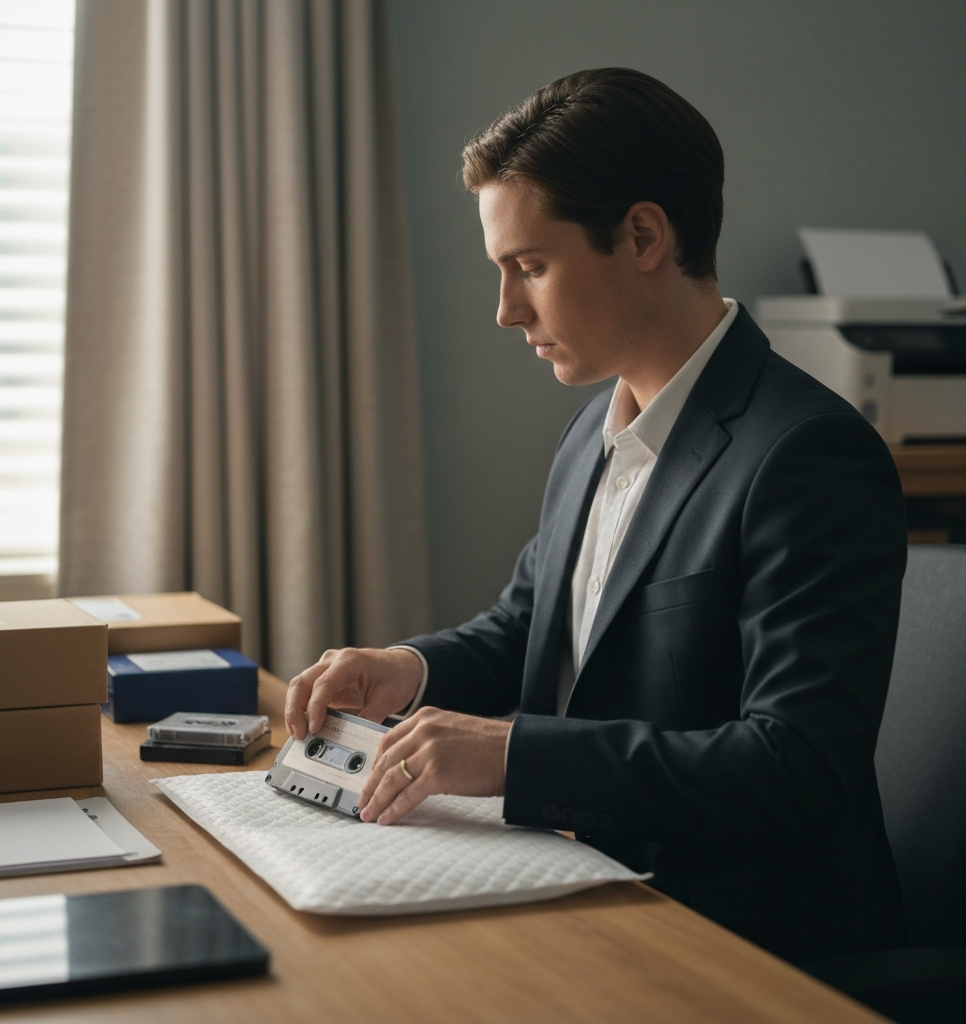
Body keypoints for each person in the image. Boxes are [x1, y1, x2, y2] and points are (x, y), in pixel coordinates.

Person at [285, 67, 907, 964]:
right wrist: (405, 670)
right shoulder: (593, 427)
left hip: (739, 945)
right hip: (588, 885)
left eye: (530, 267)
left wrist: (513, 756)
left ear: (643, 235)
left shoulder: (808, 455)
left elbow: (794, 768)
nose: (506, 311)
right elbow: (534, 628)